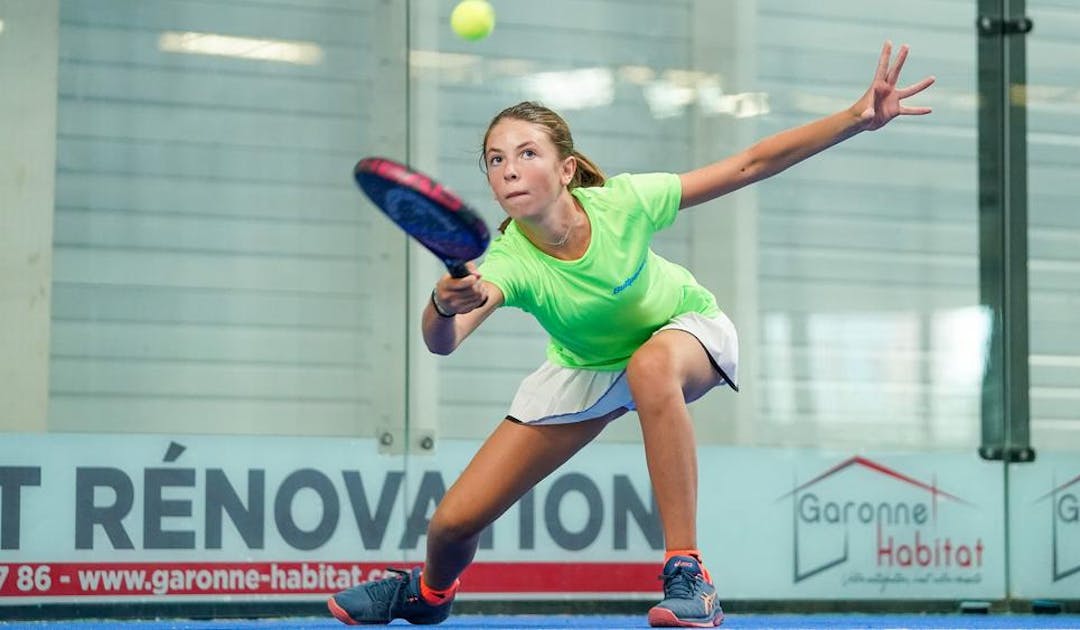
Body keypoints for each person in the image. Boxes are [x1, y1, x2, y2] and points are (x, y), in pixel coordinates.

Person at [328, 41, 934, 628]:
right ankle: (429, 596)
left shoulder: (624, 203)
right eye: (495, 159)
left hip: (681, 332)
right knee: (452, 527)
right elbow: (444, 341)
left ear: (567, 169)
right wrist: (440, 302)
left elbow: (751, 163)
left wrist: (857, 117)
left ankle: (688, 572)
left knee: (649, 366)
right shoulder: (507, 261)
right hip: (587, 367)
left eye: (527, 153)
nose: (509, 167)